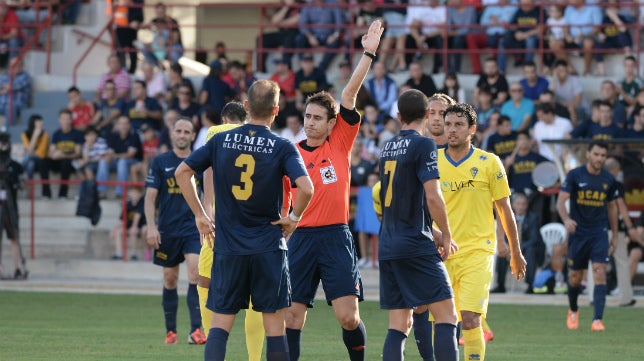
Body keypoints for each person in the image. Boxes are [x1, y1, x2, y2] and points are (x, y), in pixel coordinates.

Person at [174, 79, 314, 361]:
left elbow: (182, 172)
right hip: (268, 247)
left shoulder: (220, 140)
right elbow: (307, 188)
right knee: (275, 329)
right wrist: (294, 218)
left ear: (247, 106)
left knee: (220, 327)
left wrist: (201, 215)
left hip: (228, 248)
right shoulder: (282, 146)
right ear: (276, 110)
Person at [285, 20, 383, 361]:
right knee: (292, 317)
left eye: (317, 118)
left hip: (335, 237)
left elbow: (348, 95)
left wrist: (368, 52)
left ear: (331, 123)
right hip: (299, 240)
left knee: (348, 316)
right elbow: (282, 199)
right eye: (307, 116)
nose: (310, 121)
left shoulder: (340, 143)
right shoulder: (290, 152)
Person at [438, 103, 526, 361]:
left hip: (478, 251)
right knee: (443, 322)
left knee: (470, 317)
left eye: (459, 125)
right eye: (449, 124)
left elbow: (505, 210)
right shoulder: (432, 161)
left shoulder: (490, 162)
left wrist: (515, 252)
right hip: (441, 252)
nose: (452, 130)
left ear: (472, 129)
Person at [378, 88, 459, 361]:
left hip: (388, 244)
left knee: (399, 324)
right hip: (414, 244)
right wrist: (446, 235)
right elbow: (433, 196)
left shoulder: (387, 146)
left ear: (399, 116)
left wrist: (433, 231)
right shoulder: (424, 144)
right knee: (447, 316)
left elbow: (399, 201)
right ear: (426, 114)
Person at [195, 101, 268, 361]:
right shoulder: (262, 137)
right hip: (254, 225)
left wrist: (205, 209)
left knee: (205, 280)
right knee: (255, 295)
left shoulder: (217, 133)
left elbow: (207, 168)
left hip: (222, 222)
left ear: (224, 119)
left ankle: (209, 341)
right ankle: (255, 358)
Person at [144, 117, 206, 345]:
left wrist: (207, 219)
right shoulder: (160, 162)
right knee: (170, 279)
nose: (181, 135)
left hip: (192, 228)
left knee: (195, 274)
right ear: (172, 134)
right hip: (168, 230)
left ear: (192, 136)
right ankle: (171, 332)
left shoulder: (198, 162)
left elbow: (205, 195)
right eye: (178, 131)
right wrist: (151, 226)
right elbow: (150, 197)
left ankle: (195, 330)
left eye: (186, 131)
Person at [556, 141, 618, 332]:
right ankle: (573, 310)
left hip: (598, 233)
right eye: (596, 154)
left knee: (599, 271)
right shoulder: (575, 175)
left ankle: (597, 320)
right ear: (589, 154)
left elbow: (612, 207)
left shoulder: (609, 179)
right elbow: (561, 201)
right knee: (575, 277)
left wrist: (614, 235)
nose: (599, 158)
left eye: (602, 155)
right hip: (578, 233)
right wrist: (566, 219)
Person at [492, 192, 544, 294]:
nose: (521, 207)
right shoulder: (507, 218)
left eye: (523, 204)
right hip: (512, 249)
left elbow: (534, 239)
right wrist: (510, 248)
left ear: (527, 205)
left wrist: (517, 250)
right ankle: (500, 285)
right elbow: (504, 236)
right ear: (512, 205)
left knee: (531, 252)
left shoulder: (533, 218)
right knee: (503, 252)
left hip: (527, 249)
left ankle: (530, 285)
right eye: (518, 204)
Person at [603, 157, 638, 307]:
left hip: (597, 229)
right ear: (614, 170)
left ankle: (593, 296)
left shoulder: (596, 182)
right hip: (614, 229)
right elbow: (621, 207)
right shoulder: (615, 184)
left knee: (596, 262)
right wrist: (630, 227)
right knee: (622, 263)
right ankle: (625, 298)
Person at [0, 130, 26, 279]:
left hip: (11, 207)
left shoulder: (15, 166)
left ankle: (17, 267)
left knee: (14, 237)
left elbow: (22, 185)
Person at [49, 108, 83, 199]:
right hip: (58, 160)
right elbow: (51, 151)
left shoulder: (77, 134)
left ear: (71, 120)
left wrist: (64, 155)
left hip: (70, 162)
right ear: (59, 120)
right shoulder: (56, 134)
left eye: (68, 118)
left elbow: (78, 153)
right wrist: (54, 155)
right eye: (63, 119)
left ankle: (62, 194)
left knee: (66, 162)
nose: (65, 121)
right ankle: (46, 193)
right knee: (43, 161)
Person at [20, 114, 50, 198]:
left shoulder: (45, 135)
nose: (41, 123)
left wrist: (37, 135)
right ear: (33, 123)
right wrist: (35, 136)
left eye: (41, 121)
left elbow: (41, 154)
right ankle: (30, 192)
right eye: (39, 122)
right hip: (31, 161)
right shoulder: (24, 134)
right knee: (30, 165)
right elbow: (28, 149)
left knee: (28, 157)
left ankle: (19, 170)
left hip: (42, 160)